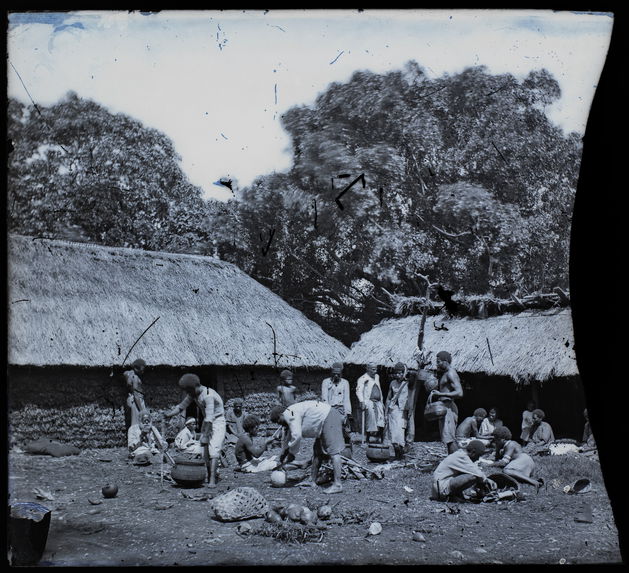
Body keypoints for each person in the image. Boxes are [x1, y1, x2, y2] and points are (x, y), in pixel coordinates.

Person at [269, 400, 345, 494]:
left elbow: (296, 435)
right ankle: (311, 481)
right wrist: (283, 453)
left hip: (328, 417)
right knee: (317, 452)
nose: (279, 424)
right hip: (322, 422)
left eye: (278, 421)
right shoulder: (289, 415)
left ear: (281, 414)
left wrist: (292, 454)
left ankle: (338, 485)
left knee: (334, 452)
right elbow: (288, 437)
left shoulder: (290, 414)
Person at [164, 374, 226, 488]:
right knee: (205, 452)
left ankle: (212, 480)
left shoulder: (208, 395)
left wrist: (205, 435)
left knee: (214, 450)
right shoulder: (193, 394)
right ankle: (208, 476)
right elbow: (181, 406)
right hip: (207, 422)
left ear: (196, 386)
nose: (188, 393)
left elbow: (209, 417)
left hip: (217, 422)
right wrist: (169, 414)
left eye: (189, 390)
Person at [430, 440, 497, 502]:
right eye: (478, 456)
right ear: (473, 452)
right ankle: (449, 496)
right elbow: (478, 474)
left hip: (441, 486)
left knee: (473, 475)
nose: (477, 459)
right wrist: (487, 480)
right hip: (441, 488)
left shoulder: (461, 454)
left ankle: (454, 495)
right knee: (473, 476)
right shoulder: (462, 457)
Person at [492, 426, 543, 490]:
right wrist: (497, 448)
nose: (495, 442)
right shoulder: (504, 446)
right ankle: (529, 480)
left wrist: (487, 464)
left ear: (503, 439)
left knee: (506, 471)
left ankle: (533, 482)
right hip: (524, 462)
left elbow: (503, 463)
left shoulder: (510, 444)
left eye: (496, 440)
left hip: (523, 459)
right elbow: (497, 459)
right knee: (511, 474)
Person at [431, 351, 463, 454]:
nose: (437, 364)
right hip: (444, 407)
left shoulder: (451, 373)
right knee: (447, 439)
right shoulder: (445, 374)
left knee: (450, 439)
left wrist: (440, 394)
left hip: (449, 407)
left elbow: (459, 393)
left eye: (439, 362)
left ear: (445, 361)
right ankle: (452, 462)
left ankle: (456, 463)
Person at [321, 362, 352, 443]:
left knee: (344, 429)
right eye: (334, 374)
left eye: (338, 374)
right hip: (330, 408)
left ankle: (346, 446)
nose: (336, 376)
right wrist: (328, 411)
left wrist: (347, 413)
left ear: (341, 374)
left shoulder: (345, 383)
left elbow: (346, 399)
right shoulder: (326, 382)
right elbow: (324, 398)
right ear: (331, 373)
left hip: (341, 409)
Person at [355, 362, 385, 443]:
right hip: (369, 402)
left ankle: (381, 439)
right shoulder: (362, 378)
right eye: (373, 369)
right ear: (367, 369)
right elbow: (359, 391)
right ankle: (367, 439)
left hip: (378, 402)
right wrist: (362, 401)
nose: (375, 371)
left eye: (376, 369)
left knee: (381, 420)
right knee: (370, 419)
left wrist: (381, 400)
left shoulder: (377, 377)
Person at [385, 362, 409, 460]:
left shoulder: (408, 383)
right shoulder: (392, 383)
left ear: (403, 373)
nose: (398, 375)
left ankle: (401, 455)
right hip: (393, 410)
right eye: (396, 373)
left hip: (402, 410)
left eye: (400, 373)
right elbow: (388, 398)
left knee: (400, 432)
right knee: (393, 433)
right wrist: (386, 412)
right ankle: (396, 455)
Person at [123, 358, 147, 431]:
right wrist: (141, 410)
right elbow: (136, 394)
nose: (143, 372)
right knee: (138, 422)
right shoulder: (135, 378)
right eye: (141, 370)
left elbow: (125, 373)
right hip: (138, 401)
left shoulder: (128, 374)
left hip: (132, 400)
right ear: (136, 368)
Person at [404, 367, 420, 448]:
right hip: (405, 405)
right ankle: (407, 438)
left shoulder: (413, 386)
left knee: (410, 420)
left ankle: (409, 439)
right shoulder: (406, 385)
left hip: (410, 405)